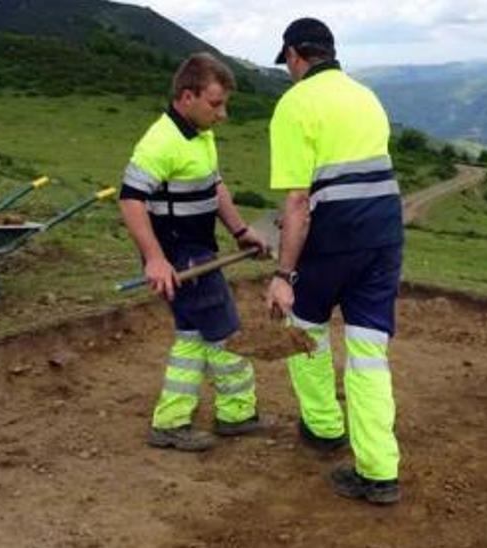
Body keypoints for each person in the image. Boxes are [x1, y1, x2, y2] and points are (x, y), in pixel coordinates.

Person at [265, 17, 403, 505]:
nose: (288, 71)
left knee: (303, 326)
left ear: (295, 55)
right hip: (385, 233)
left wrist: (283, 275)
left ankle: (324, 427)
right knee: (368, 352)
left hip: (334, 238)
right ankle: (379, 471)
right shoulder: (366, 96)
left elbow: (299, 202)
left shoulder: (295, 104)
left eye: (287, 63)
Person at [118, 53, 269, 452]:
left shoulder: (200, 134)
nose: (223, 114)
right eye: (216, 103)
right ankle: (236, 414)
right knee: (226, 333)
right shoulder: (160, 141)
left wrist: (239, 230)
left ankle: (170, 422)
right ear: (187, 97)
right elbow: (130, 200)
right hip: (181, 258)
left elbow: (215, 186)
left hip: (199, 250)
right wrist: (154, 258)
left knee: (192, 338)